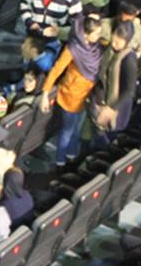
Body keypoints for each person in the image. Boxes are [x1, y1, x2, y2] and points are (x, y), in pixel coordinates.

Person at [43, 16, 103, 167]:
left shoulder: (96, 48)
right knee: (67, 131)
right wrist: (45, 93)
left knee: (77, 129)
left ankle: (72, 155)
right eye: (96, 33)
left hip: (86, 95)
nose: (99, 36)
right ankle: (60, 161)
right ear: (86, 34)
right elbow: (56, 70)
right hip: (71, 96)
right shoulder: (73, 49)